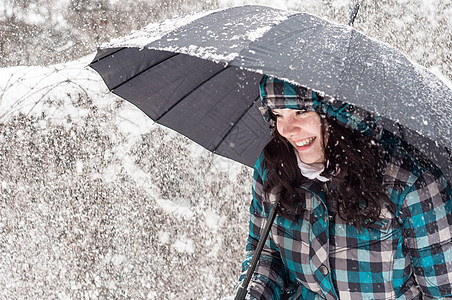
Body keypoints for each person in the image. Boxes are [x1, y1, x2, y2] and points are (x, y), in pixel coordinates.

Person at [235, 75, 452, 299]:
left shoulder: (411, 185)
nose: (288, 130)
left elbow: (443, 293)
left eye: (300, 112)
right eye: (278, 115)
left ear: (336, 113)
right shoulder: (274, 170)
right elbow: (267, 253)